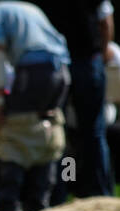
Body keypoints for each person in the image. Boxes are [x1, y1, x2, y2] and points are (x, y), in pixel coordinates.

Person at [0, 2, 72, 211]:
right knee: (47, 127)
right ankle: (40, 202)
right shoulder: (28, 8)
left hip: (34, 71)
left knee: (15, 130)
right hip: (61, 71)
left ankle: (9, 203)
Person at [36, 0, 115, 197]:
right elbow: (105, 20)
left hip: (58, 63)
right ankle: (98, 191)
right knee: (93, 133)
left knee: (64, 134)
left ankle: (62, 191)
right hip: (87, 61)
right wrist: (102, 52)